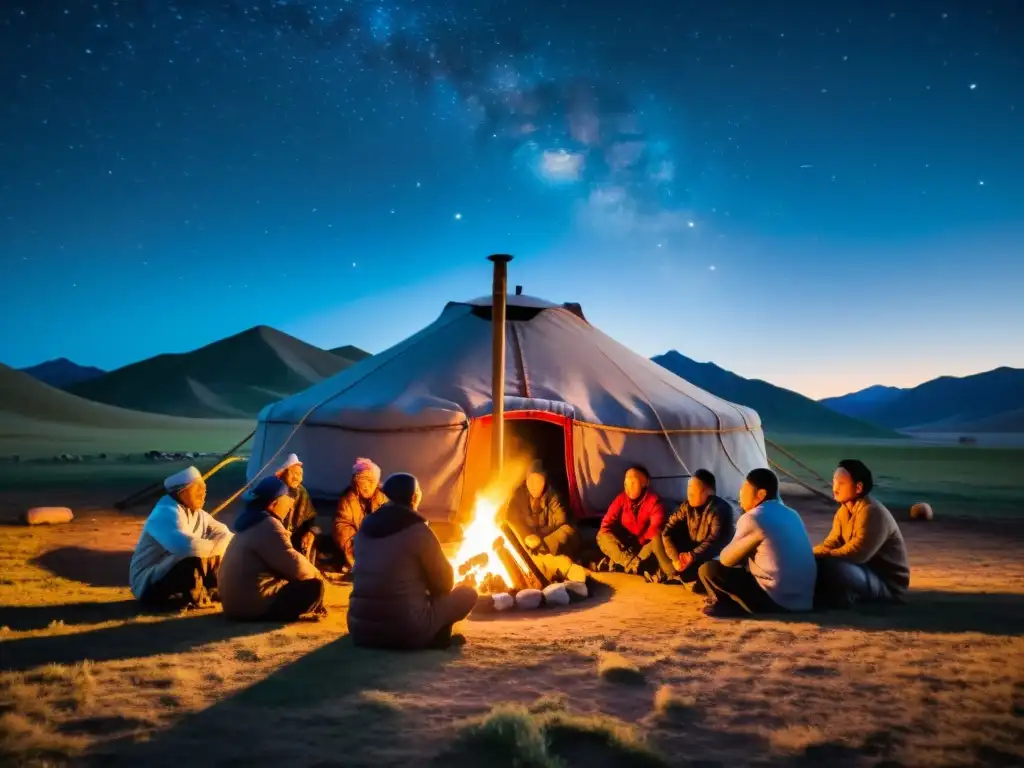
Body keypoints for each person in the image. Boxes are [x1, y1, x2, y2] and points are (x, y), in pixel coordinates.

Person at [347, 472, 478, 650]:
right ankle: (436, 637)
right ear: (414, 497)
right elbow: (445, 583)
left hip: (360, 631)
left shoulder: (364, 528)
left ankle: (432, 634)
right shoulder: (418, 531)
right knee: (467, 594)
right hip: (406, 631)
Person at [698, 468, 816, 617]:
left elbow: (726, 559)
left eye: (744, 489)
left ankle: (728, 606)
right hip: (804, 602)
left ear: (761, 494)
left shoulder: (754, 517)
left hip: (775, 601)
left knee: (709, 569)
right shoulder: (792, 513)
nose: (740, 495)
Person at [219, 476, 326, 622]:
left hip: (234, 604)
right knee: (314, 587)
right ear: (274, 503)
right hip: (252, 605)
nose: (290, 503)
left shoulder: (250, 522)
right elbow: (294, 565)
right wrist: (317, 574)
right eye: (287, 498)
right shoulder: (268, 525)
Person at [129, 466, 233, 609]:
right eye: (197, 490)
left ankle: (217, 590)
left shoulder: (199, 514)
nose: (202, 494)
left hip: (168, 570)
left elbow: (226, 534)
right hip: (148, 583)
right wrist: (215, 546)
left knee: (218, 554)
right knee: (192, 558)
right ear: (181, 492)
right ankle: (195, 597)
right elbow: (185, 547)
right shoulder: (164, 513)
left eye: (204, 490)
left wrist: (215, 547)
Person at [813, 459, 910, 607]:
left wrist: (823, 555)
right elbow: (832, 542)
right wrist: (811, 554)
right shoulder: (843, 512)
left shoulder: (871, 512)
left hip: (886, 584)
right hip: (863, 573)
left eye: (841, 483)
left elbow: (857, 553)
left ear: (858, 487)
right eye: (834, 482)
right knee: (818, 563)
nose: (835, 488)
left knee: (832, 566)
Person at [661, 469, 736, 589]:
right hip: (692, 553)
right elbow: (667, 531)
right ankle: (677, 573)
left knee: (706, 570)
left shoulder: (719, 509)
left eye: (694, 489)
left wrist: (692, 556)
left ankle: (681, 576)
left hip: (712, 555)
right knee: (658, 539)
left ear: (709, 492)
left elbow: (713, 541)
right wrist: (675, 558)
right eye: (689, 488)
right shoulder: (686, 506)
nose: (689, 493)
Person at [596, 465, 674, 577]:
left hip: (643, 547)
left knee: (657, 540)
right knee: (601, 536)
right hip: (625, 547)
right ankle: (632, 564)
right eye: (626, 484)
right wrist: (617, 542)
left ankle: (624, 564)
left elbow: (655, 529)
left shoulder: (654, 502)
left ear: (644, 483)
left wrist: (640, 542)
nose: (628, 488)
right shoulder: (621, 499)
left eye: (633, 483)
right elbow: (605, 525)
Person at [505, 460, 580, 559]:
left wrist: (543, 543)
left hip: (547, 549)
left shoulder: (553, 498)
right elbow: (510, 521)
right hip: (524, 547)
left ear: (545, 481)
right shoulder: (519, 496)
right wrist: (526, 536)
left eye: (538, 480)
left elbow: (564, 524)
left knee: (568, 533)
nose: (533, 486)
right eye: (530, 480)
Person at [332, 457, 388, 570]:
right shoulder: (347, 500)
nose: (367, 486)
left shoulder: (383, 499)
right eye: (363, 480)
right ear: (356, 482)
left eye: (371, 481)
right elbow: (342, 525)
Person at [273, 453, 321, 561]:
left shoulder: (302, 492)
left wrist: (311, 532)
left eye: (299, 474)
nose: (296, 477)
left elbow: (310, 518)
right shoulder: (275, 490)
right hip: (275, 536)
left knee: (313, 537)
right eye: (293, 473)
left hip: (294, 536)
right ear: (284, 473)